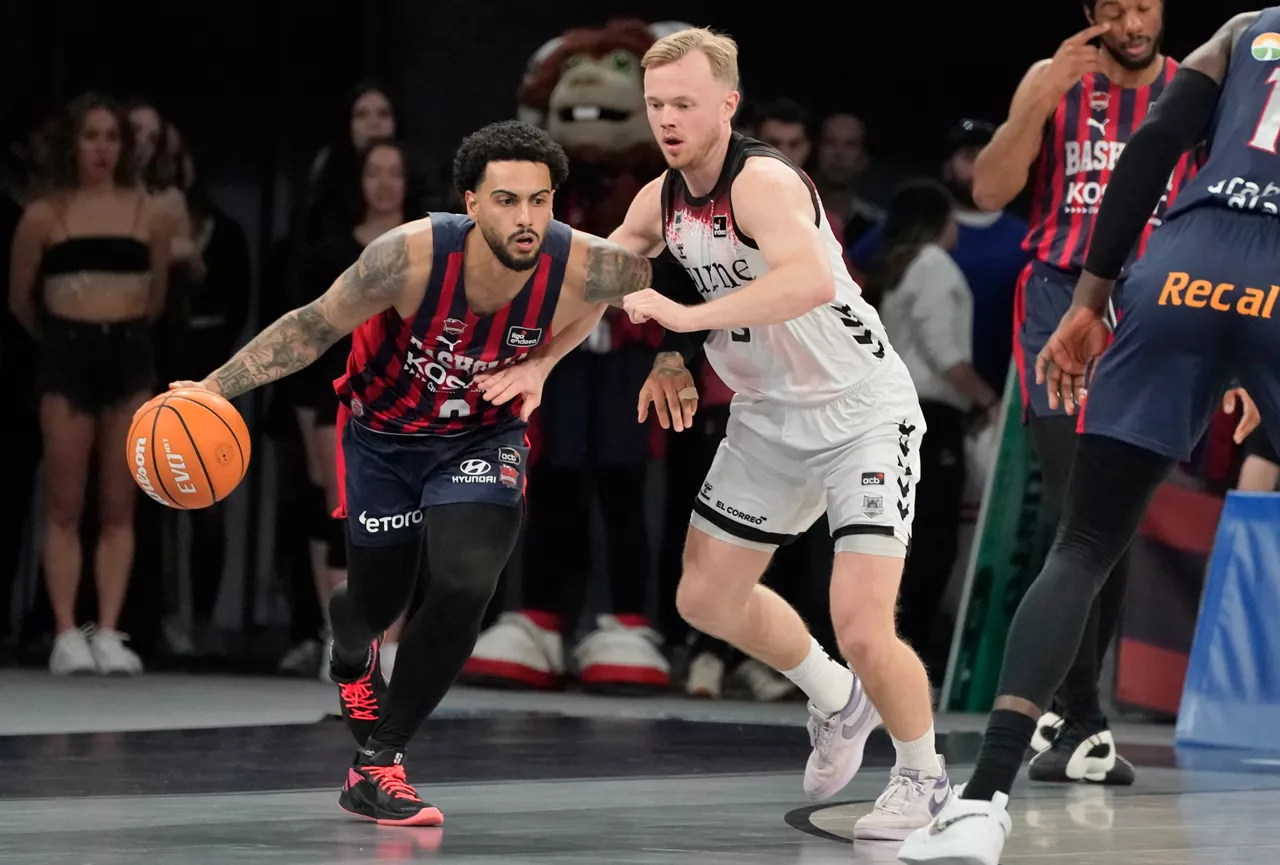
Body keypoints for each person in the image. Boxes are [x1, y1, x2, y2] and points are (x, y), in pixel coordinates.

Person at [171, 120, 657, 825]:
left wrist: (546, 363)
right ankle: (349, 641)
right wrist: (211, 389)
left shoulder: (582, 261)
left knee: (465, 579)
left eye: (540, 201)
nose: (526, 219)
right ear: (471, 201)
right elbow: (311, 327)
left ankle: (379, 762)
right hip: (384, 439)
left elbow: (657, 283)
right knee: (375, 601)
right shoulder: (409, 257)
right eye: (507, 200)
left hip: (481, 434)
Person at [900, 9, 1279, 864]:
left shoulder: (1248, 28)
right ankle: (1075, 728)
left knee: (1083, 542)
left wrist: (1087, 300)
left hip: (1176, 270)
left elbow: (1149, 152)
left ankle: (981, 799)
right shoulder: (1065, 80)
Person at [609, 27, 951, 840]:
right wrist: (544, 349)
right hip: (770, 416)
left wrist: (684, 320)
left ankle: (924, 774)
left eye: (684, 104)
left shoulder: (761, 181)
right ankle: (837, 696)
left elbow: (800, 280)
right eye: (656, 105)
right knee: (704, 595)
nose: (667, 119)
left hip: (861, 411)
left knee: (864, 621)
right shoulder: (660, 196)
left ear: (727, 104)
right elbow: (610, 263)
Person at [968, 0, 1201, 786]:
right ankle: (1082, 716)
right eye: (1115, 9)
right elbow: (992, 191)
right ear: (1090, 13)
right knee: (1078, 506)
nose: (1132, 24)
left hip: (1147, 306)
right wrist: (1038, 97)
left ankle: (1078, 718)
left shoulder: (1193, 85)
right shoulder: (1054, 80)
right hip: (1055, 303)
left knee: (1112, 511)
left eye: (1144, 7)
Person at [9, 93, 170, 676]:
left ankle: (107, 627)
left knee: (119, 501)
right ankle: (63, 630)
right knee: (65, 500)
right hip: (66, 353)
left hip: (126, 352)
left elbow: (154, 298)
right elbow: (20, 297)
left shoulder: (146, 213)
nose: (101, 148)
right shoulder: (43, 214)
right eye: (90, 136)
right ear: (71, 144)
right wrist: (64, 334)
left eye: (111, 137)